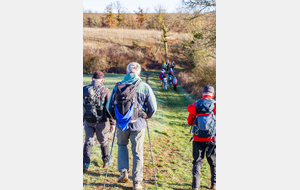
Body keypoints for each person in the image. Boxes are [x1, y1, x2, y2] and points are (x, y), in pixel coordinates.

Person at [106, 62, 157, 190]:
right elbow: (153, 108)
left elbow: (109, 107)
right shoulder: (144, 87)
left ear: (127, 71)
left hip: (121, 125)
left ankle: (124, 172)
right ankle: (137, 183)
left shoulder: (118, 86)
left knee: (122, 146)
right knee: (137, 152)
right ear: (138, 73)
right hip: (138, 124)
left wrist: (117, 118)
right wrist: (146, 116)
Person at [83, 71, 116, 173]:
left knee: (88, 141)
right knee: (103, 141)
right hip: (101, 121)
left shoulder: (84, 89)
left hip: (87, 121)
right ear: (102, 80)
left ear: (92, 79)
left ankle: (85, 163)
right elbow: (109, 108)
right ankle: (106, 161)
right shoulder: (105, 90)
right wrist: (112, 123)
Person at [187, 85, 216, 190]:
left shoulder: (196, 104)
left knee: (197, 162)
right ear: (212, 94)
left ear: (202, 93)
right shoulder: (216, 105)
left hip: (198, 138)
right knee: (213, 163)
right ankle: (214, 185)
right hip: (212, 139)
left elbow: (190, 121)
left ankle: (195, 187)